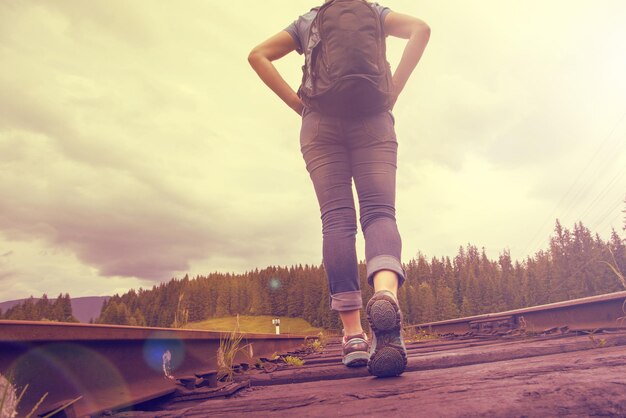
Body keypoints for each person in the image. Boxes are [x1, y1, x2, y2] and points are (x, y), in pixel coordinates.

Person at [248, 0, 430, 377]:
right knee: (380, 212)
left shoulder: (307, 21)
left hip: (319, 125)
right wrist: (393, 90)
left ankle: (353, 336)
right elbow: (420, 29)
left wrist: (300, 106)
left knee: (336, 221)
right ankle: (385, 294)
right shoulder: (375, 13)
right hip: (373, 120)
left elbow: (258, 56)